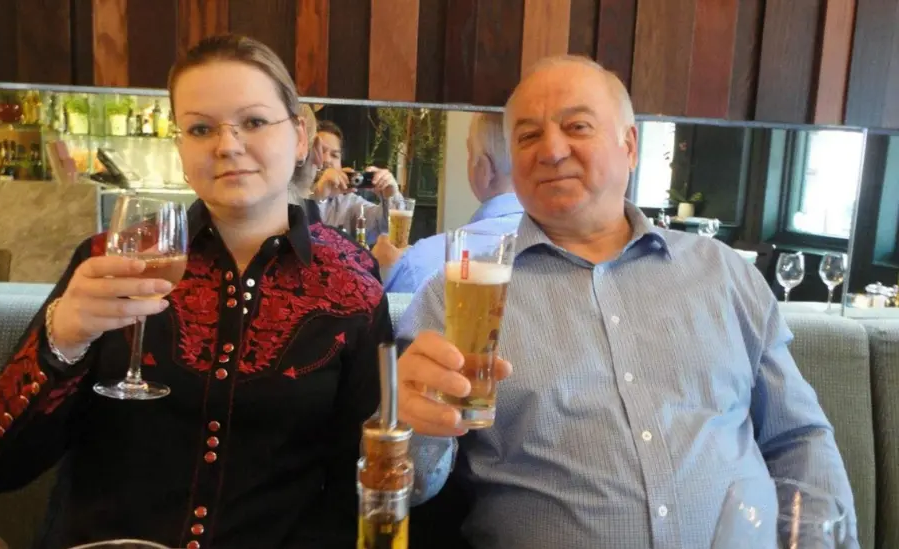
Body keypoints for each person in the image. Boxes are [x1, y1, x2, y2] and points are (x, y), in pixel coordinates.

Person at [395, 55, 856, 548]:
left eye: (577, 126)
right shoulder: (459, 297)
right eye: (528, 136)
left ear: (629, 146)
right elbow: (412, 484)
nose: (551, 150)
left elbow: (798, 439)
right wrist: (411, 425)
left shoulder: (722, 273)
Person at [0, 34, 391, 549]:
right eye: (201, 128)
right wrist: (62, 342)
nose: (227, 145)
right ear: (181, 147)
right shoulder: (111, 261)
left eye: (254, 121)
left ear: (299, 137)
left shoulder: (353, 282)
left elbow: (359, 488)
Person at [383, 112, 522, 293]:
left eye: (470, 153)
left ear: (485, 170)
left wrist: (383, 269)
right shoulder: (555, 247)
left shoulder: (421, 264)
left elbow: (389, 308)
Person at [310, 119, 402, 246]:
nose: (327, 160)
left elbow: (384, 228)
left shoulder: (349, 203)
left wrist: (390, 196)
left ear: (340, 163)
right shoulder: (289, 194)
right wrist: (317, 196)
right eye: (320, 151)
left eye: (334, 155)